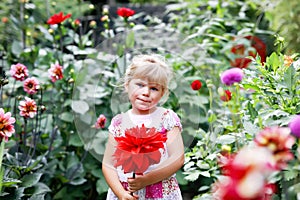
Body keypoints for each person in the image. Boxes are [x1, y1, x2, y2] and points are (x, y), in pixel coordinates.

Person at [102, 54, 184, 200]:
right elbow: (108, 165)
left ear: (162, 93)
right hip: (126, 192)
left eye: (153, 88)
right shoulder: (118, 123)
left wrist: (147, 180)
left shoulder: (166, 119)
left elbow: (177, 158)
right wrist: (121, 193)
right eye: (140, 85)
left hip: (159, 192)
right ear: (127, 85)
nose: (146, 92)